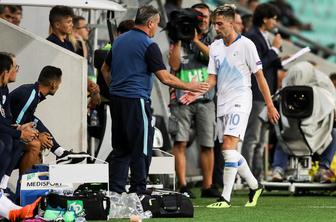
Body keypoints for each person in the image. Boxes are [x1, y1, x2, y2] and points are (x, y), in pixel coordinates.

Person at [179, 4, 279, 208]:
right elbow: (212, 80)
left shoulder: (247, 45)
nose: (216, 27)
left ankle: (225, 197)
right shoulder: (215, 47)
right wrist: (196, 91)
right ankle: (254, 185)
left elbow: (260, 78)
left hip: (241, 99)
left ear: (232, 23)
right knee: (229, 151)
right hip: (222, 103)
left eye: (220, 24)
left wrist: (270, 105)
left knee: (227, 147)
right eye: (215, 24)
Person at [103, 5, 209, 195]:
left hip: (117, 101)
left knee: (120, 149)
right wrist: (190, 86)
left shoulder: (118, 41)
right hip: (136, 101)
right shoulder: (148, 44)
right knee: (141, 148)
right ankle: (139, 194)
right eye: (156, 25)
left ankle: (115, 193)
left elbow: (105, 69)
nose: (156, 29)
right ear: (150, 23)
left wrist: (115, 88)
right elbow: (165, 78)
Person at [168, 3, 219, 198]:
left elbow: (215, 59)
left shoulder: (213, 39)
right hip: (182, 100)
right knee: (180, 142)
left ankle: (207, 186)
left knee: (207, 144)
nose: (204, 19)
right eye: (200, 16)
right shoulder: (179, 36)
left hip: (205, 100)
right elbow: (173, 65)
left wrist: (196, 41)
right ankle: (182, 185)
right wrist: (180, 39)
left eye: (206, 16)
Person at [9, 65, 89, 175]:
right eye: (59, 84)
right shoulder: (30, 95)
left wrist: (40, 135)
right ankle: (21, 187)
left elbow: (30, 120)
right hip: (6, 138)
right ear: (53, 84)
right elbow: (15, 127)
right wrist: (37, 137)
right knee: (36, 145)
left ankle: (61, 153)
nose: (58, 87)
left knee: (36, 124)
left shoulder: (34, 93)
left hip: (8, 135)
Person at [242, 3, 283, 180]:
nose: (276, 23)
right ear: (265, 19)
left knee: (260, 141)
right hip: (257, 95)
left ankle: (256, 178)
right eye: (274, 19)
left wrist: (278, 56)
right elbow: (257, 66)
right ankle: (247, 177)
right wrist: (274, 49)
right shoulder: (252, 36)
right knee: (252, 138)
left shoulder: (262, 36)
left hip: (266, 95)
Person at [0, 52, 38, 191]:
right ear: (5, 73)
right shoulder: (28, 92)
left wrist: (19, 128)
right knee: (7, 141)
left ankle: (5, 185)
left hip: (5, 130)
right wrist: (18, 133)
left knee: (22, 141)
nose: (16, 71)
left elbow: (6, 119)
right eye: (15, 68)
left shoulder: (4, 89)